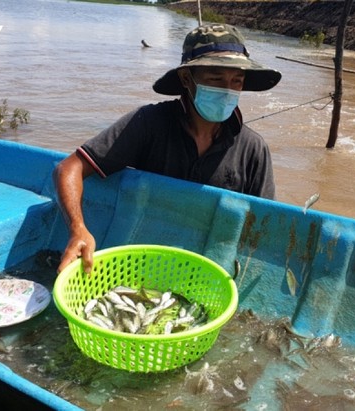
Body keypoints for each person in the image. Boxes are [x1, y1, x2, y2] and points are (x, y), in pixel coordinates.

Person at [53, 23, 282, 273]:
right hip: (144, 256)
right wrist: (78, 229)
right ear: (187, 78)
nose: (227, 90)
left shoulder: (253, 148)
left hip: (210, 268)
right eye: (216, 79)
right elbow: (69, 169)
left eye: (236, 81)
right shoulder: (148, 123)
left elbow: (264, 226)